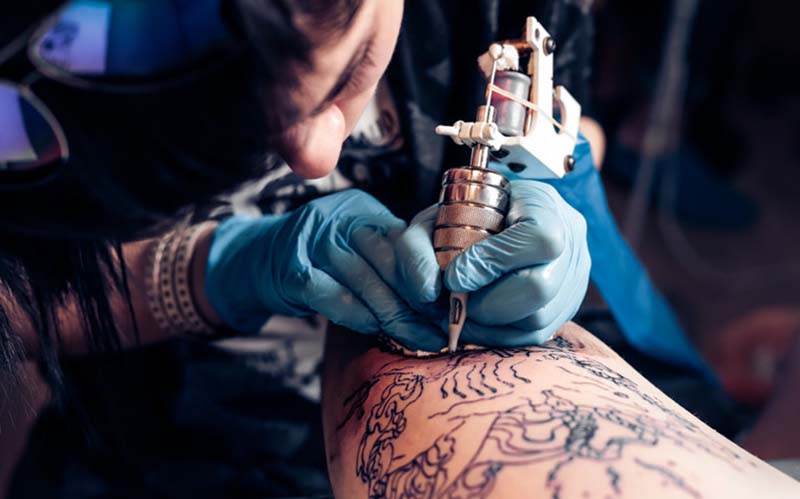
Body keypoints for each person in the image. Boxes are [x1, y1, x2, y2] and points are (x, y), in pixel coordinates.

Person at [0, 0, 727, 497]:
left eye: (336, 82)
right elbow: (15, 302)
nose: (316, 157)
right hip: (151, 448)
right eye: (251, 137)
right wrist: (213, 273)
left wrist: (561, 189)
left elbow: (575, 126)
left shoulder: (500, 13)